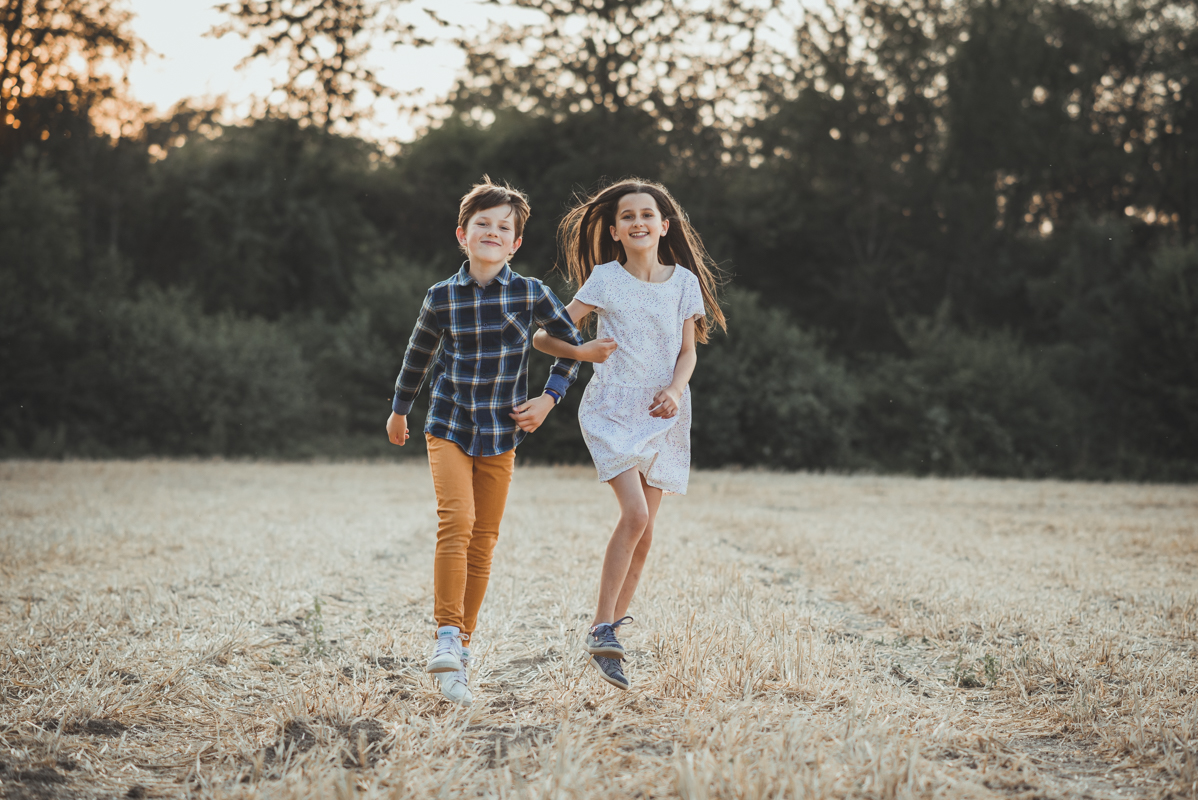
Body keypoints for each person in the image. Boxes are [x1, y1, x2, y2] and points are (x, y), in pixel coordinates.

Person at [386, 177, 609, 705]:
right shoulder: (441, 297)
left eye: (502, 227)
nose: (492, 232)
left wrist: (549, 399)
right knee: (456, 522)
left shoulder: (531, 293)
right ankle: (444, 633)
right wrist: (399, 410)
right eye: (482, 224)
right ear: (462, 235)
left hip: (503, 430)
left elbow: (570, 348)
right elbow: (417, 356)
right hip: (449, 422)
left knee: (484, 539)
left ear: (516, 243)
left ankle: (461, 648)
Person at [532, 178, 726, 690]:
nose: (638, 222)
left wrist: (678, 390)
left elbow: (689, 351)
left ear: (665, 226)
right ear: (615, 231)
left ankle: (609, 638)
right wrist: (581, 353)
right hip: (613, 410)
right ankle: (600, 625)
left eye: (648, 214)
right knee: (634, 515)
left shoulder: (684, 281)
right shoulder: (604, 279)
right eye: (627, 216)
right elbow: (544, 335)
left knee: (646, 534)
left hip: (665, 413)